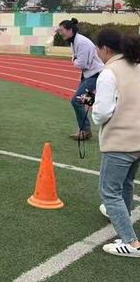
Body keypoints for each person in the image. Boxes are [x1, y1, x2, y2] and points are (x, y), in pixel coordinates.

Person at [88, 28, 140, 257]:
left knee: (109, 191)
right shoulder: (135, 65)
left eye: (97, 48)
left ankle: (131, 243)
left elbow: (101, 113)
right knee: (126, 183)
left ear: (105, 49)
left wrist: (94, 109)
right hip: (138, 139)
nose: (97, 53)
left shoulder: (109, 73)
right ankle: (122, 214)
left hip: (120, 140)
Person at [58, 18, 104, 140]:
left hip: (95, 74)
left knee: (77, 101)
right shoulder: (74, 41)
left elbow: (82, 64)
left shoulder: (82, 42)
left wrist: (74, 61)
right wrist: (75, 60)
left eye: (61, 30)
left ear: (69, 30)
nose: (60, 32)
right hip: (89, 74)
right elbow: (77, 60)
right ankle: (86, 129)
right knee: (85, 101)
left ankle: (86, 130)